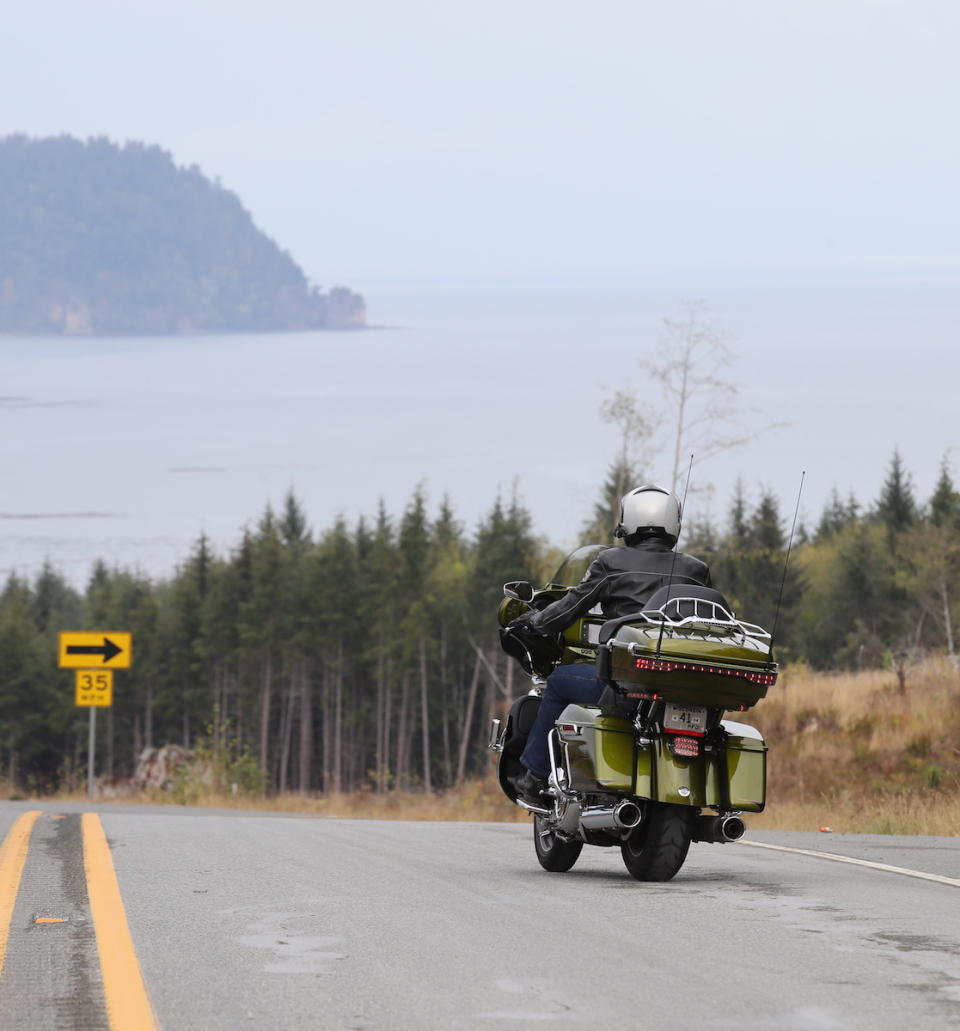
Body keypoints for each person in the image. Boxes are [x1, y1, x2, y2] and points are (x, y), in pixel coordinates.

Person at [507, 484, 712, 805]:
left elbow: (570, 606)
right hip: (685, 685)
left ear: (628, 520)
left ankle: (533, 776)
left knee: (559, 682)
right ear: (674, 523)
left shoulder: (611, 562)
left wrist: (534, 621)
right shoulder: (696, 570)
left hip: (627, 684)